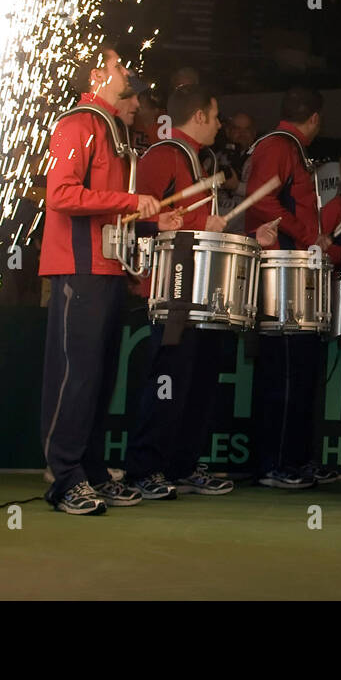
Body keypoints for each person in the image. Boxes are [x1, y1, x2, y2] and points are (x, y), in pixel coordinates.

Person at [124, 85, 276, 501]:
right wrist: (185, 225)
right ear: (201, 116)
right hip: (174, 290)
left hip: (203, 290)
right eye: (217, 113)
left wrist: (248, 233)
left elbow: (202, 226)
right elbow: (134, 219)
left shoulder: (197, 159)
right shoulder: (163, 155)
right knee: (168, 381)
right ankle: (143, 468)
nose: (221, 123)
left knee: (199, 383)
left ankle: (182, 465)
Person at [39, 42, 163, 516]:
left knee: (99, 376)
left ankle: (88, 471)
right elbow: (63, 194)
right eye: (120, 68)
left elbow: (107, 202)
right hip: (79, 267)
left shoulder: (110, 130)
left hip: (106, 268)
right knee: (77, 375)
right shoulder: (77, 124)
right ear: (97, 75)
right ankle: (64, 477)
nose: (130, 82)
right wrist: (132, 204)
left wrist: (148, 220)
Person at [241, 87, 336, 490]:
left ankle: (293, 457)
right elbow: (261, 203)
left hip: (294, 269)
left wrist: (312, 237)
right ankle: (274, 462)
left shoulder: (286, 146)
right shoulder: (279, 146)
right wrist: (309, 235)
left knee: (299, 368)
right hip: (281, 270)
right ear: (314, 118)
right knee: (283, 368)